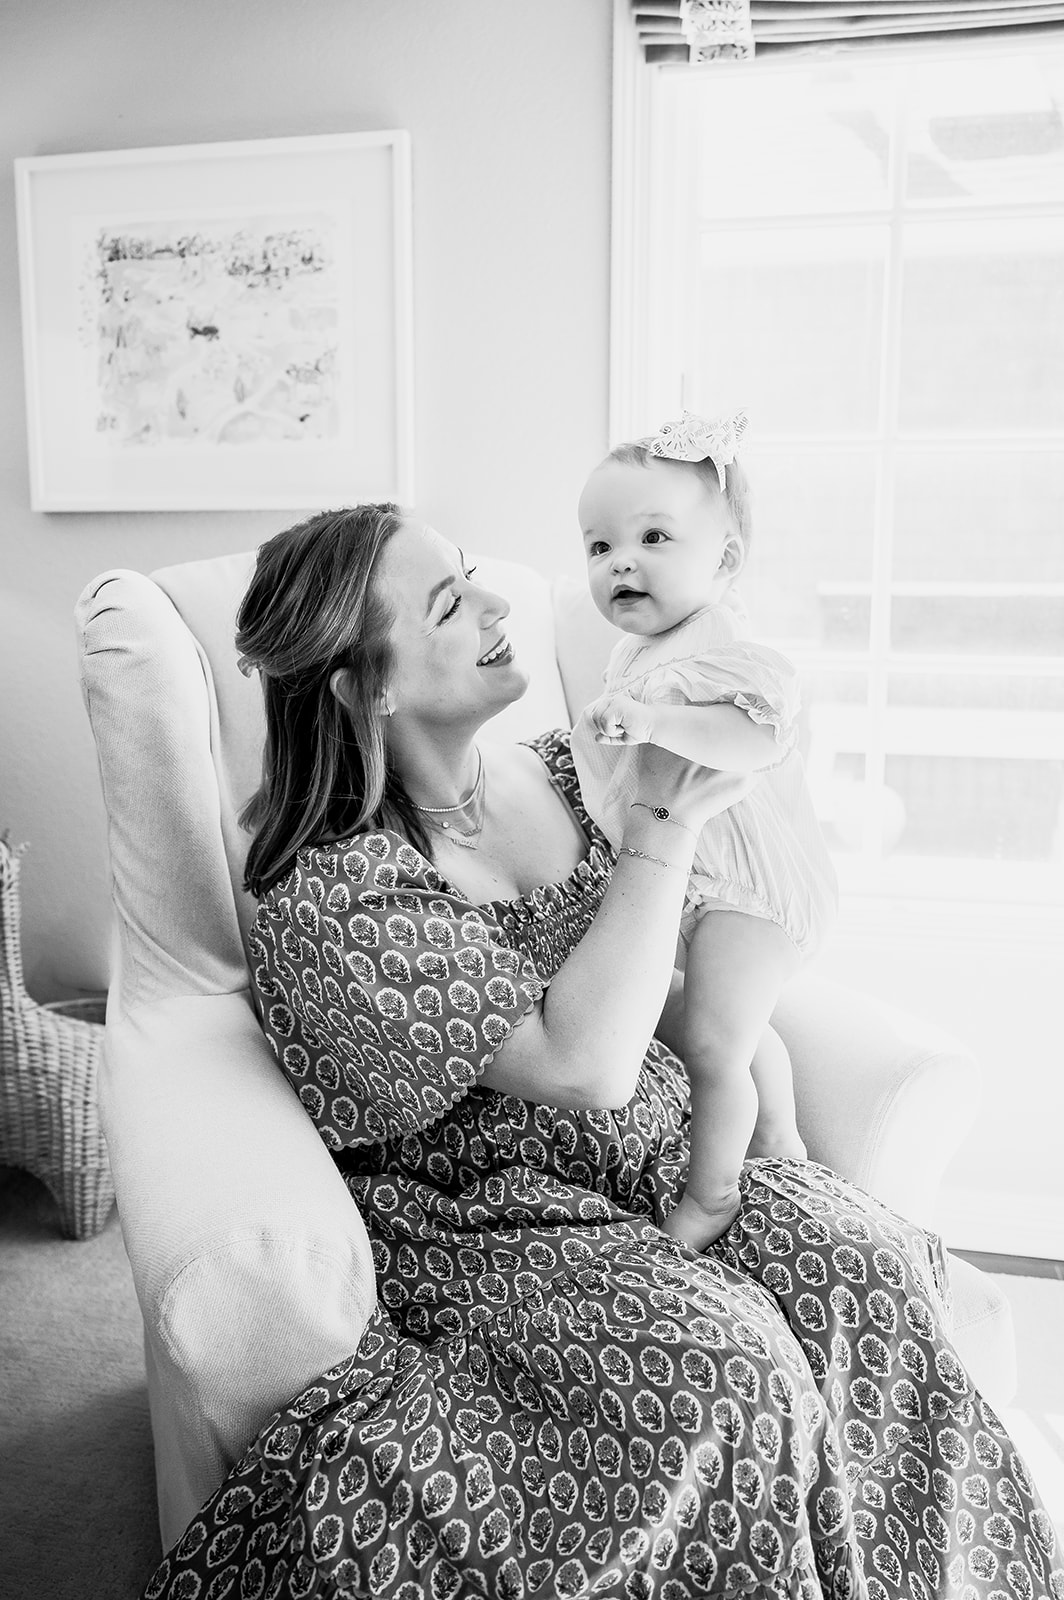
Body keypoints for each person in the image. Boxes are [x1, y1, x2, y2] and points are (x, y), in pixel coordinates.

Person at [143, 503, 1062, 1600]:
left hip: (661, 1155)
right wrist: (662, 830)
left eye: (473, 575)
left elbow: (682, 954)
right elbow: (582, 1065)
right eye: (449, 603)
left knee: (863, 1268)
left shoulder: (566, 770)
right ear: (364, 687)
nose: (498, 602)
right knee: (725, 1368)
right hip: (494, 1217)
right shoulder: (334, 891)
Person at [570, 409, 838, 1255]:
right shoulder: (633, 657)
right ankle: (781, 1143)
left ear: (723, 561)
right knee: (730, 1028)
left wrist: (654, 721)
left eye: (653, 536)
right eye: (599, 546)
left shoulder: (719, 638)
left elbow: (759, 735)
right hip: (699, 881)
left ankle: (711, 1194)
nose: (621, 561)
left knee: (716, 1041)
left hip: (750, 886)